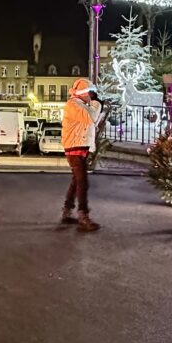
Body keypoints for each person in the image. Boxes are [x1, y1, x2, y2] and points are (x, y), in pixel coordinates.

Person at [61, 78, 102, 231]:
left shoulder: (79, 105)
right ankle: (83, 215)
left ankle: (67, 211)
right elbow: (91, 118)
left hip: (79, 147)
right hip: (74, 148)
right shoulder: (73, 105)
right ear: (85, 93)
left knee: (77, 181)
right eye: (90, 93)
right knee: (82, 182)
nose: (91, 96)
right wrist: (96, 103)